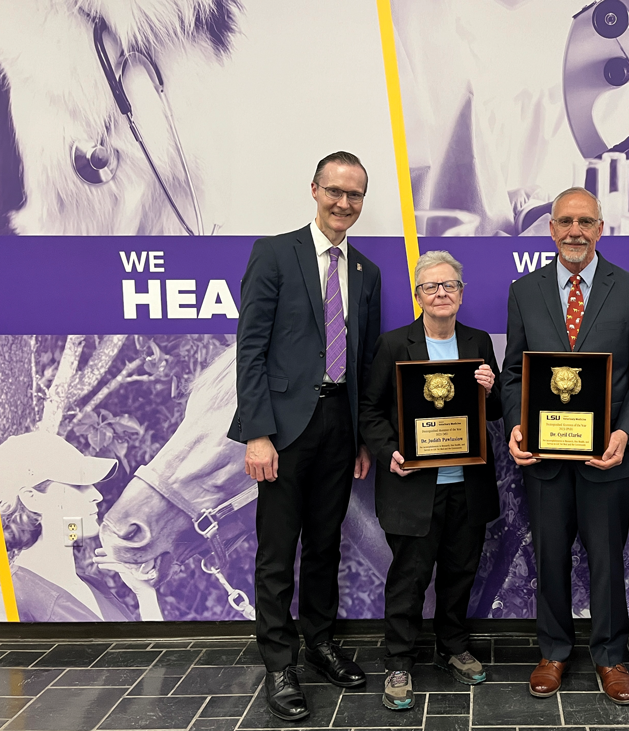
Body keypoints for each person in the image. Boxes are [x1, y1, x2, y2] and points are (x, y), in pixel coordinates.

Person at [228, 151, 381, 722]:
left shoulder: (367, 272)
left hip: (341, 427)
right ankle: (278, 662)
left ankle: (319, 643)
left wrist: (365, 436)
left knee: (325, 545)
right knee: (276, 553)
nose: (344, 203)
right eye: (335, 191)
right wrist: (258, 434)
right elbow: (251, 349)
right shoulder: (274, 253)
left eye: (355, 195)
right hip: (285, 430)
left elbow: (365, 360)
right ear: (314, 189)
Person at [501, 186, 629, 705]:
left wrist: (624, 434)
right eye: (565, 221)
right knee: (548, 557)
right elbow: (513, 376)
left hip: (607, 458)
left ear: (600, 228)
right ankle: (553, 652)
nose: (575, 231)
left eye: (585, 221)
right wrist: (516, 427)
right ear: (551, 229)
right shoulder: (525, 291)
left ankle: (610, 657)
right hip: (544, 459)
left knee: (607, 560)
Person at [360, 250, 501, 710]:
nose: (441, 293)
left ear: (462, 294)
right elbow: (371, 411)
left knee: (460, 575)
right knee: (409, 578)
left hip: (467, 485)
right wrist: (389, 452)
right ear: (418, 295)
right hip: (413, 487)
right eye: (430, 287)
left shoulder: (478, 342)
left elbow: (496, 413)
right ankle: (399, 661)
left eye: (449, 286)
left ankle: (453, 647)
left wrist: (490, 388)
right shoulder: (394, 345)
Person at [0, 430, 163, 621]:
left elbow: (145, 651)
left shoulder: (94, 586)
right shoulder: (11, 599)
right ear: (33, 499)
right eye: (79, 485)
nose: (97, 495)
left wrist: (145, 595)